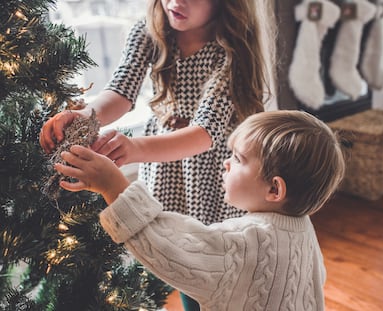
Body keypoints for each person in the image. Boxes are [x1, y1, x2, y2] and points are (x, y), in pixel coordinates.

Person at [40, 1, 275, 309]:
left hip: (210, 173)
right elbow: (121, 92)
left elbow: (205, 133)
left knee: (204, 264)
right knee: (165, 250)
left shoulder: (231, 49)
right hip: (164, 171)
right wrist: (86, 115)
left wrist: (136, 148)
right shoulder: (150, 31)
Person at [54, 110, 346, 311]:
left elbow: (167, 247)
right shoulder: (302, 228)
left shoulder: (247, 241)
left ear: (274, 190)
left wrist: (114, 187)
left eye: (239, 158)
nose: (226, 163)